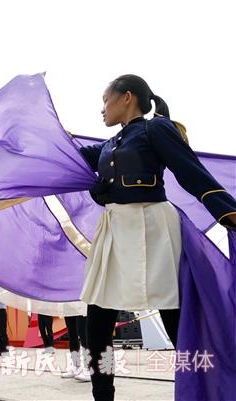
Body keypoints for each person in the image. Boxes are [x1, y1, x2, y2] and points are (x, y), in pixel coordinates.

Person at [77, 74, 236, 401]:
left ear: (126, 97)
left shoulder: (156, 128)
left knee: (176, 318)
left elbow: (190, 169)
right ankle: (102, 396)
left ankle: (201, 389)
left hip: (154, 226)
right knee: (97, 318)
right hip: (115, 229)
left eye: (105, 100)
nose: (102, 110)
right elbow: (68, 154)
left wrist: (225, 210)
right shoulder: (108, 145)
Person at [61, 315, 90, 381]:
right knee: (71, 332)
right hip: (69, 305)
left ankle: (89, 368)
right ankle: (76, 366)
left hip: (81, 306)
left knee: (83, 332)